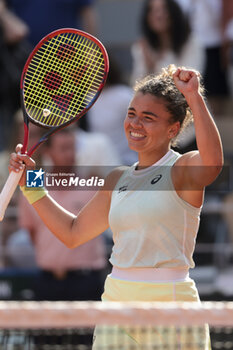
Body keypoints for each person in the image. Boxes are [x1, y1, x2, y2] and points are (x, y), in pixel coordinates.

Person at [9, 65, 223, 349]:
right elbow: (72, 233)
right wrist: (32, 182)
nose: (135, 123)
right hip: (117, 300)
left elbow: (213, 163)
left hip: (172, 303)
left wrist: (194, 97)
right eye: (131, 113)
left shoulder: (182, 169)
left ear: (173, 129)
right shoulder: (116, 178)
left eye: (148, 118)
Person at [130, 0, 204, 86]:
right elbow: (136, 85)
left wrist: (155, 66)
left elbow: (190, 79)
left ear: (173, 12)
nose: (158, 15)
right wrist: (147, 65)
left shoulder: (191, 43)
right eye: (152, 10)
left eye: (163, 9)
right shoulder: (142, 47)